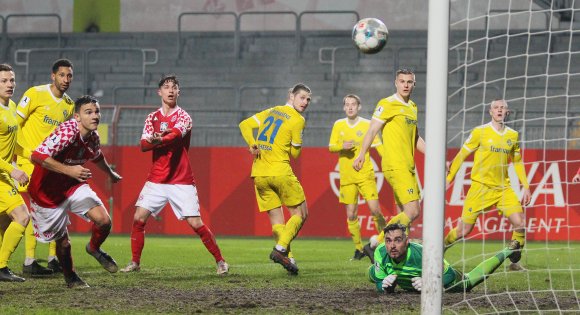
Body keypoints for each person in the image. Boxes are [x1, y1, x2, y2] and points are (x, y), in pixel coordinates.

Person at [120, 74, 229, 275]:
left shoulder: (184, 116)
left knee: (196, 223)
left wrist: (157, 139)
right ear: (159, 92)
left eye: (174, 87)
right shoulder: (151, 118)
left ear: (179, 92)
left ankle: (221, 261)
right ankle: (135, 262)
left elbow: (176, 135)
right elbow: (143, 145)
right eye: (166, 87)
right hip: (157, 180)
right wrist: (154, 141)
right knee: (138, 218)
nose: (170, 90)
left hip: (181, 179)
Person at [28, 95, 122, 288]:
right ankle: (71, 277)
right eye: (88, 112)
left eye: (97, 111)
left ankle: (94, 248)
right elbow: (36, 156)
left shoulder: (93, 136)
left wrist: (110, 173)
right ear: (77, 117)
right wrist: (70, 170)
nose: (95, 116)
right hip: (46, 194)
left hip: (72, 185)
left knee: (104, 221)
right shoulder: (67, 132)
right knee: (63, 244)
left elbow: (96, 156)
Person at [444, 99, 530, 271]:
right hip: (480, 188)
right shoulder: (479, 132)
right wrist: (448, 179)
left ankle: (515, 258)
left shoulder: (513, 135)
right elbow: (461, 155)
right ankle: (442, 247)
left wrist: (525, 186)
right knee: (463, 231)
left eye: (502, 108)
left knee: (520, 224)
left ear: (507, 112)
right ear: (490, 112)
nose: (499, 110)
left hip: (503, 189)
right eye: (496, 108)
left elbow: (518, 161)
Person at [238, 83, 311, 275]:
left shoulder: (272, 111)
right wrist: (297, 139)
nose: (305, 102)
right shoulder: (298, 119)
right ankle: (280, 250)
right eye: (302, 97)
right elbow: (295, 153)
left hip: (259, 174)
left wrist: (252, 144)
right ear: (291, 96)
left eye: (308, 99)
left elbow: (244, 124)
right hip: (280, 172)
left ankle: (289, 257)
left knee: (277, 221)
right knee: (301, 214)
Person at [353, 69, 426, 262]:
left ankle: (398, 258)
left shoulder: (412, 106)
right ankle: (375, 244)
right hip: (396, 164)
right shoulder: (387, 104)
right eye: (402, 81)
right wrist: (362, 153)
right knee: (413, 211)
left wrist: (434, 155)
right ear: (396, 83)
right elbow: (371, 131)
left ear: (414, 84)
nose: (405, 85)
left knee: (404, 215)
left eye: (409, 82)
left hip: (408, 166)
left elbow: (416, 138)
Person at [16, 58, 75, 276]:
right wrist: (18, 154)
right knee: (35, 209)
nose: (66, 80)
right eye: (62, 75)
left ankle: (53, 258)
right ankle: (30, 260)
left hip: (52, 166)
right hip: (30, 162)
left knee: (56, 209)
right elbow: (15, 125)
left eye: (69, 76)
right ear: (53, 76)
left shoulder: (69, 105)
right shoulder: (35, 94)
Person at [368, 223, 520, 293]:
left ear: (407, 242)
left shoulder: (424, 254)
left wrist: (431, 283)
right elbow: (378, 283)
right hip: (410, 286)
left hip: (443, 279)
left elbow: (448, 275)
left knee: (468, 281)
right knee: (371, 273)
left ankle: (509, 250)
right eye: (388, 240)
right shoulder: (381, 252)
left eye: (397, 240)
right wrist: (384, 286)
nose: (392, 245)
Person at [329, 94, 385, 260]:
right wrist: (342, 146)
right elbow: (331, 147)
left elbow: (379, 147)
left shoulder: (368, 124)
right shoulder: (338, 125)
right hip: (347, 177)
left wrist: (389, 161)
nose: (350, 107)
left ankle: (382, 244)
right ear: (344, 107)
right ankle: (359, 249)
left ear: (359, 106)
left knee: (376, 210)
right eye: (347, 104)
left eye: (353, 104)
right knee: (351, 214)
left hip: (365, 174)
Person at [0, 64, 31, 282]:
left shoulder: (11, 106)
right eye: (4, 81)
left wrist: (38, 156)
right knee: (22, 216)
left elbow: (17, 146)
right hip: (4, 175)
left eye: (12, 80)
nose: (10, 84)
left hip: (3, 175)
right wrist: (14, 170)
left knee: (3, 224)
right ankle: (1, 267)